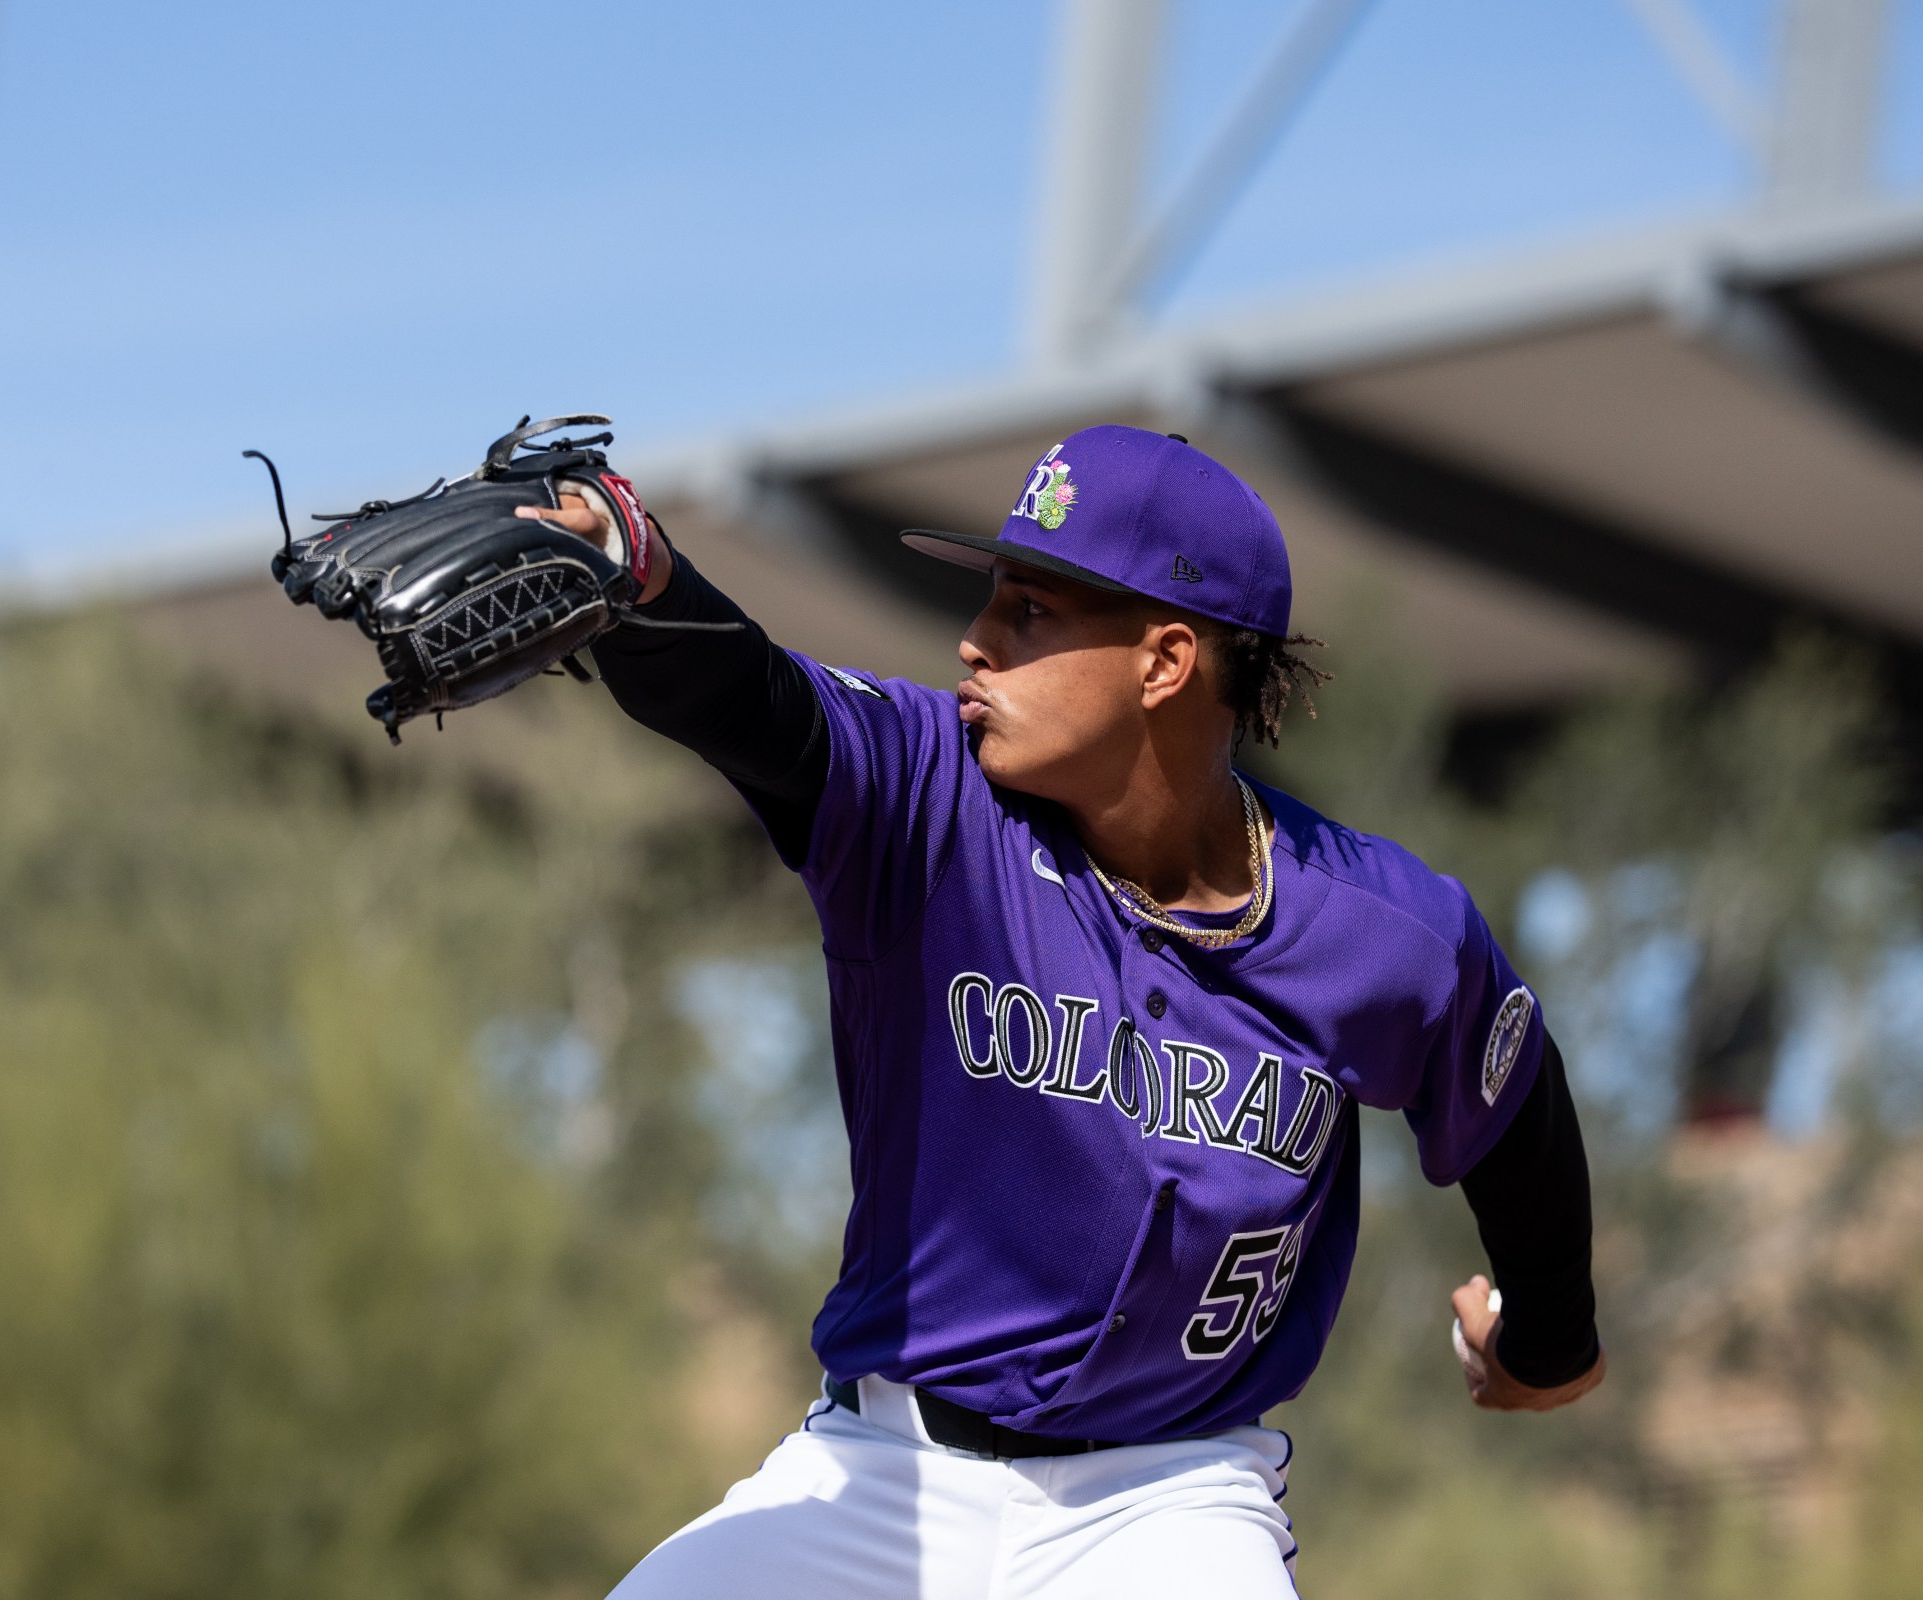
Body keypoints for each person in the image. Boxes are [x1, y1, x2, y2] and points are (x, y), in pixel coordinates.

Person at [521, 425, 1601, 1599]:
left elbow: (1516, 1107)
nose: (975, 642)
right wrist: (641, 574)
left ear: (1165, 660)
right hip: (888, 1469)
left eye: (1029, 611)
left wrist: (1545, 1343)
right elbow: (761, 704)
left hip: (1168, 1503)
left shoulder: (1381, 929)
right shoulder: (931, 796)